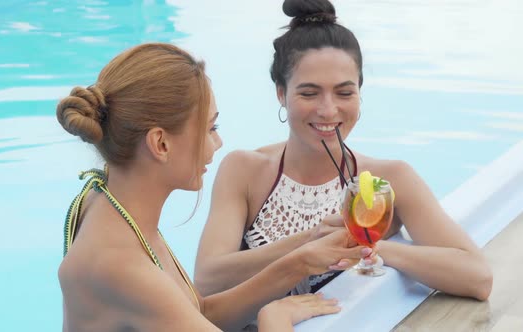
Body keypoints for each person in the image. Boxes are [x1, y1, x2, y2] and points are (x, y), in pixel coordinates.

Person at [56, 43, 370, 332]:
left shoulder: (110, 199)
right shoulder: (121, 265)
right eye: (211, 128)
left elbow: (197, 311)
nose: (217, 144)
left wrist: (299, 260)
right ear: (161, 143)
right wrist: (275, 316)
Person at [195, 0, 492, 301]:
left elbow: (478, 277)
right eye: (309, 93)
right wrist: (310, 241)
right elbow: (207, 280)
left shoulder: (389, 179)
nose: (328, 109)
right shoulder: (244, 169)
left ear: (360, 93)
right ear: (281, 93)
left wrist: (369, 244)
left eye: (344, 92)